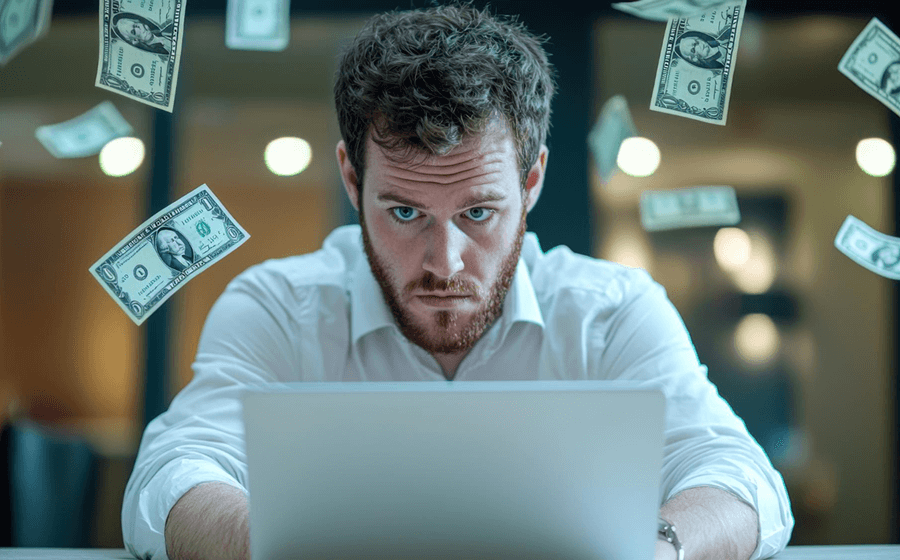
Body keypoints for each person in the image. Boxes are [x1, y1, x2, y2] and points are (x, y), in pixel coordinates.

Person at [121, 5, 794, 560]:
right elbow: (170, 478)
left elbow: (741, 478)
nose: (444, 262)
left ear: (530, 184)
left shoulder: (613, 311)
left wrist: (658, 551)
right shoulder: (274, 306)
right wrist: (282, 548)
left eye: (478, 212)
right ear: (353, 181)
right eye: (405, 212)